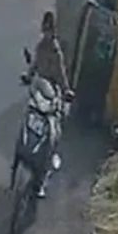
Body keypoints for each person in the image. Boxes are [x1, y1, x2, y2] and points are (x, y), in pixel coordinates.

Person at [24, 11, 74, 197]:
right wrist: (28, 76)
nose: (47, 34)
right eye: (45, 30)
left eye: (49, 31)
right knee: (28, 119)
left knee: (53, 134)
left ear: (53, 32)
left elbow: (62, 76)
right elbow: (34, 66)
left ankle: (43, 179)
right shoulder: (40, 48)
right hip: (40, 92)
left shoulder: (56, 52)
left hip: (53, 96)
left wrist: (66, 90)